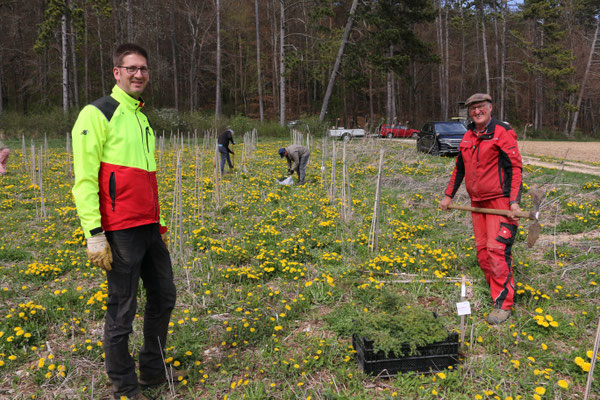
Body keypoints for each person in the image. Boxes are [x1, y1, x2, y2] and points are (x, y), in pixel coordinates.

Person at [71, 43, 181, 400]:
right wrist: (94, 233)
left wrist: (158, 221)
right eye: (131, 68)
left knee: (164, 296)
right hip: (119, 230)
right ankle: (123, 382)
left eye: (144, 69)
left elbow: (146, 176)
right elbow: (85, 179)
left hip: (148, 226)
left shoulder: (142, 117)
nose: (138, 74)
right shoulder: (97, 113)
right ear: (116, 73)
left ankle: (152, 369)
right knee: (122, 307)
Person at [440, 93, 523, 325]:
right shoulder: (468, 136)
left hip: (500, 203)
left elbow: (515, 168)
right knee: (482, 252)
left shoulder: (501, 133)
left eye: (481, 107)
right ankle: (496, 290)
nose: (477, 111)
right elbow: (459, 169)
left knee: (497, 250)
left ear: (490, 108)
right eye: (473, 108)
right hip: (477, 203)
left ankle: (503, 304)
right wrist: (448, 196)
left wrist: (514, 201)